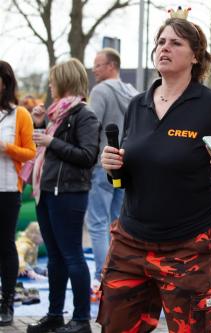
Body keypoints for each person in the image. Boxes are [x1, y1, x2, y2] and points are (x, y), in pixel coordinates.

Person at [97, 9, 211, 332]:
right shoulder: (138, 103)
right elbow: (124, 179)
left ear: (195, 56)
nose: (164, 48)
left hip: (189, 243)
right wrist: (113, 166)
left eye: (175, 43)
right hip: (131, 239)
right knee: (116, 327)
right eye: (160, 42)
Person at [26, 58, 99, 333]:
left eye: (53, 79)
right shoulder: (58, 116)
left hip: (69, 194)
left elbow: (88, 156)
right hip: (47, 193)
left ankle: (81, 320)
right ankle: (54, 314)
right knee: (56, 258)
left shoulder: (84, 115)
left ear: (66, 81)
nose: (49, 84)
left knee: (72, 256)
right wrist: (42, 124)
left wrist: (51, 141)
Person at [85, 48, 138, 285]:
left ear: (111, 66)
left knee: (97, 222)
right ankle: (120, 272)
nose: (94, 70)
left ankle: (101, 276)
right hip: (126, 165)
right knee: (118, 222)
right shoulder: (134, 93)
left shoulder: (100, 91)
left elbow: (90, 127)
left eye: (98, 65)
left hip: (102, 165)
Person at [0, 60, 36, 327]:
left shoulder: (19, 115)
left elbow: (30, 153)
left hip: (8, 188)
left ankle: (8, 302)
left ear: (5, 82)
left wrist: (7, 147)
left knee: (5, 245)